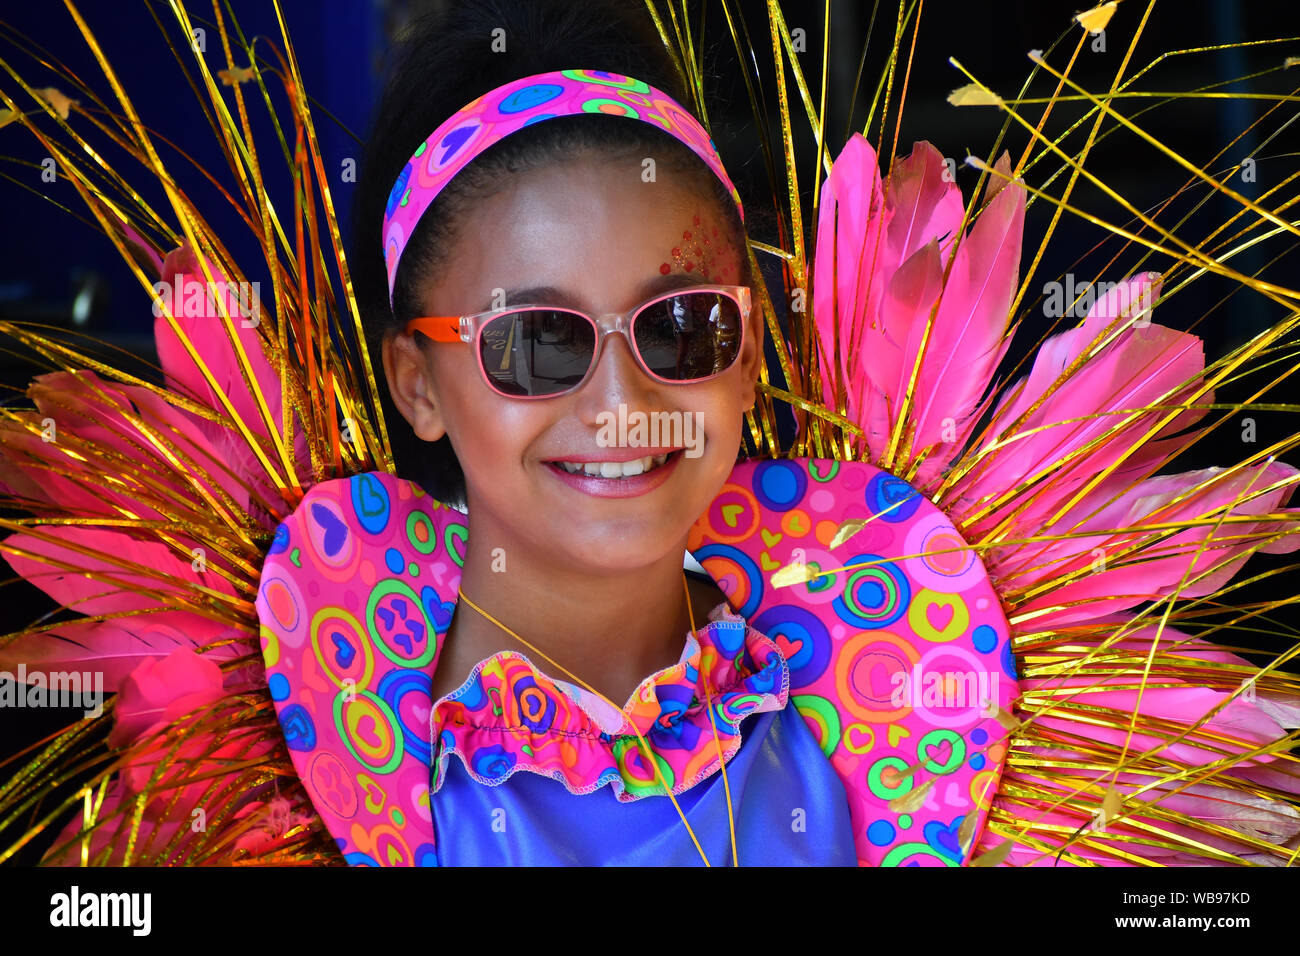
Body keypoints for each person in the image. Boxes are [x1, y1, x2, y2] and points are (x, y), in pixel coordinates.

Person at [3, 0, 1298, 868]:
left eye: (681, 330)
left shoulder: (893, 719)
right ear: (417, 383)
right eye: (536, 344)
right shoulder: (293, 763)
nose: (620, 404)